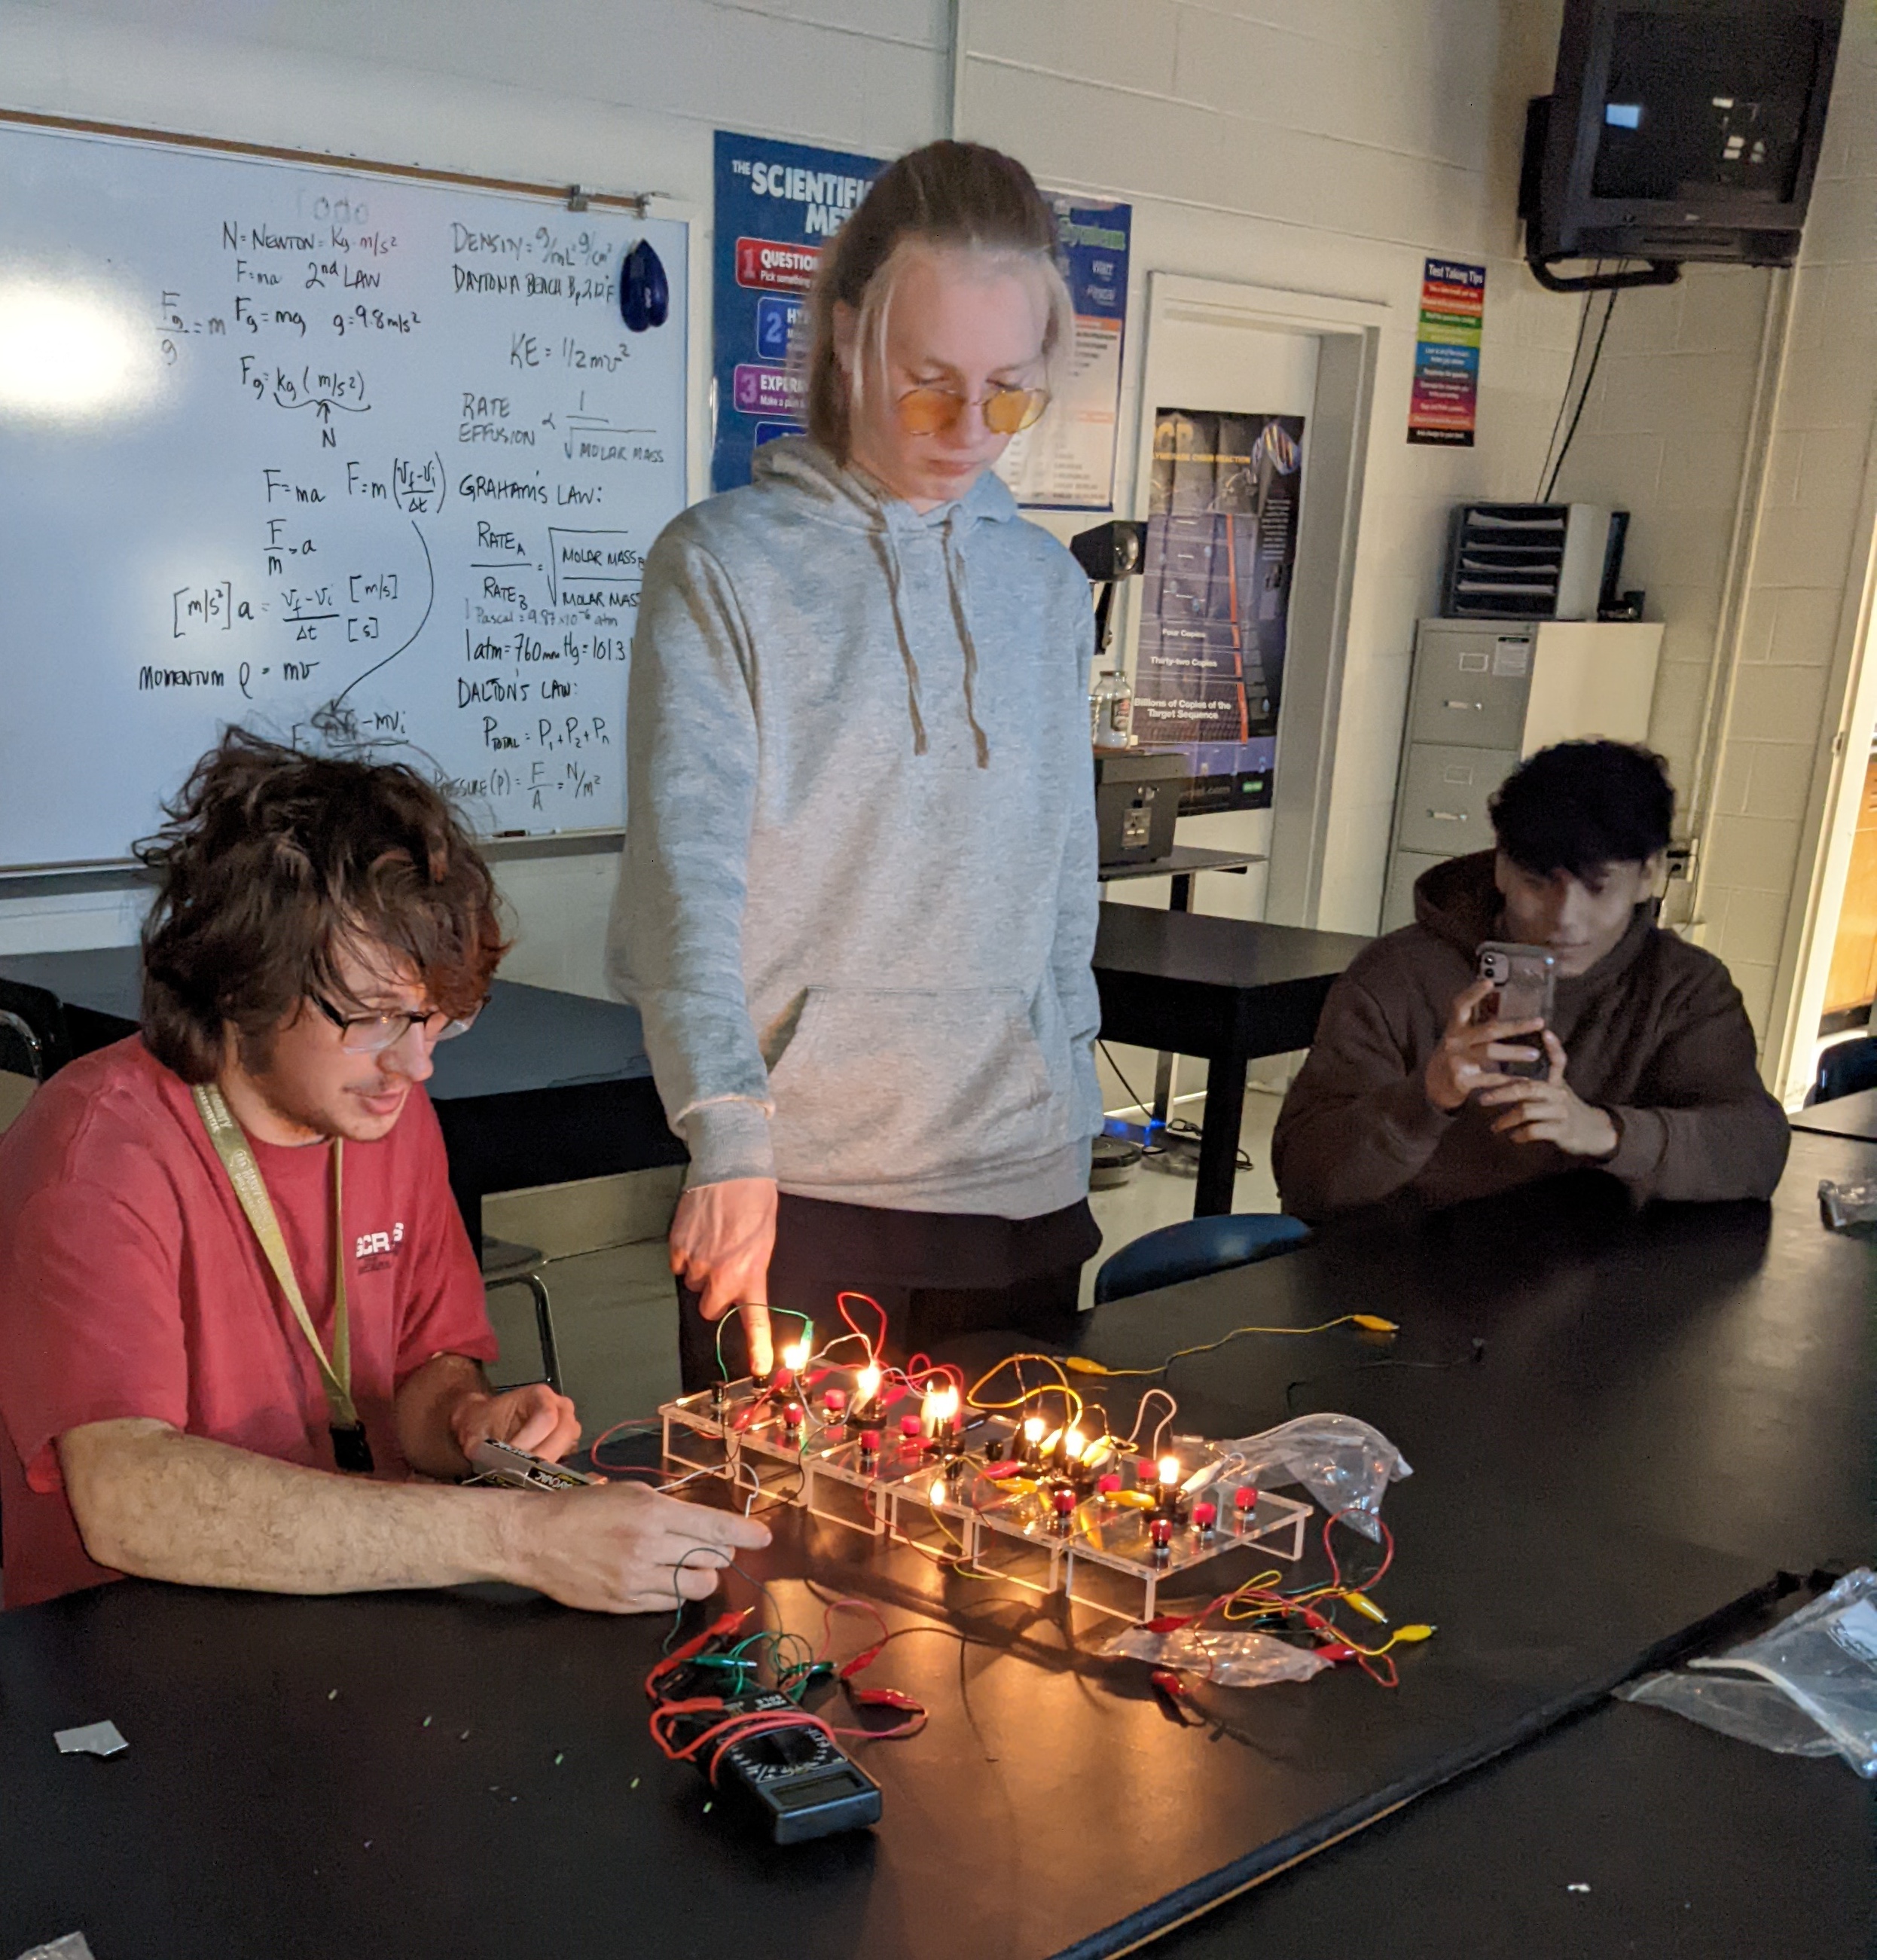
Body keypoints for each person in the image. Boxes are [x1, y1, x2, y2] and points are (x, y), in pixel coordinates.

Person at [0, 731, 766, 1611]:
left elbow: (418, 1372)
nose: (416, 1067)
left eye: (438, 1020)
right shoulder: (95, 1157)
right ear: (247, 979)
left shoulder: (382, 1110)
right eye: (371, 1019)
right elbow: (128, 1502)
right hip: (133, 1643)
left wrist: (467, 1422)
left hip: (353, 1605)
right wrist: (521, 1539)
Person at [609, 141, 1103, 1388]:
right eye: (929, 383)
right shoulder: (724, 566)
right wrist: (727, 1138)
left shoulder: (1045, 586)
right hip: (804, 1189)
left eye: (1010, 394)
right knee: (784, 1573)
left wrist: (1073, 1103)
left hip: (1018, 1177)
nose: (967, 432)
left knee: (1019, 1572)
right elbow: (685, 892)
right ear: (846, 339)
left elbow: (1061, 882)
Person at [1272, 740, 1790, 1221]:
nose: (1565, 918)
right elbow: (1303, 1178)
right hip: (1393, 1282)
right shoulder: (1397, 976)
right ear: (1500, 868)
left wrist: (1605, 1131)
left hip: (1596, 1284)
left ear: (1649, 876)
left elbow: (1756, 1149)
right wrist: (1424, 1100)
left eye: (1597, 888)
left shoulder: (1683, 987)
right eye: (1537, 885)